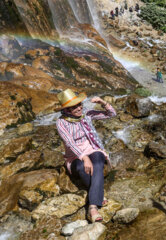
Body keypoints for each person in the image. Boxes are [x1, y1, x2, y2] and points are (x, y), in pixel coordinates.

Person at [55, 89, 116, 223]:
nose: (79, 108)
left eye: (79, 104)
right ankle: (99, 193)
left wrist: (102, 102)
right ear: (66, 110)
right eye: (74, 107)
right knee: (83, 168)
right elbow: (69, 142)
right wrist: (84, 157)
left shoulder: (87, 114)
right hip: (74, 154)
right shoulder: (61, 123)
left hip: (93, 148)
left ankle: (93, 206)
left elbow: (111, 114)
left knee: (98, 163)